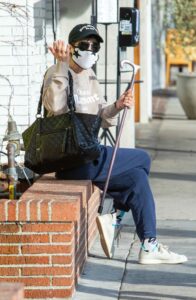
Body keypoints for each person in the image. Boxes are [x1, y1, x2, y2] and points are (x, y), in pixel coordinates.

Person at [42, 23, 187, 264]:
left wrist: (117, 106)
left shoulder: (90, 76)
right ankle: (117, 214)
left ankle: (149, 246)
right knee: (142, 159)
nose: (91, 50)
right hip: (71, 159)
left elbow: (102, 118)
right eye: (85, 45)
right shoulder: (57, 72)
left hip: (89, 153)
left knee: (137, 180)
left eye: (95, 46)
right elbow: (56, 109)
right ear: (71, 47)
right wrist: (60, 64)